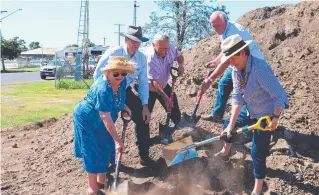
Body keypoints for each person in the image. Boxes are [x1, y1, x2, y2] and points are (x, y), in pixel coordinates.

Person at [215, 34, 288, 195]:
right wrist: (231, 128)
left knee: (257, 151)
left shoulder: (259, 69)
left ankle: (258, 189)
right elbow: (237, 97)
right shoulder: (235, 69)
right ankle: (225, 153)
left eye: (232, 58)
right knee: (228, 125)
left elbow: (280, 96)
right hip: (249, 109)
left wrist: (275, 119)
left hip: (266, 114)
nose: (230, 63)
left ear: (242, 53)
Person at [93, 26, 155, 167]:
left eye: (139, 42)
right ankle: (107, 162)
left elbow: (144, 81)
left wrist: (145, 105)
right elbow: (97, 73)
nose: (136, 44)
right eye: (133, 41)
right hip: (107, 89)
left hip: (125, 90)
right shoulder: (115, 52)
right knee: (108, 122)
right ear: (126, 40)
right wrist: (101, 94)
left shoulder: (141, 58)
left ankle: (144, 156)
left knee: (143, 119)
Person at [73, 56, 134, 195]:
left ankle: (102, 181)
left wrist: (124, 106)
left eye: (123, 73)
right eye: (116, 73)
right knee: (93, 150)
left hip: (104, 117)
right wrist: (118, 141)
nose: (120, 76)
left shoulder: (121, 83)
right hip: (88, 119)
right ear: (107, 73)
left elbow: (117, 98)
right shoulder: (102, 89)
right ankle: (93, 189)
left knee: (106, 146)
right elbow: (105, 116)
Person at [201, 11, 265, 123]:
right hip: (238, 62)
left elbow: (227, 61)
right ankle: (217, 115)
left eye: (218, 25)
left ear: (225, 21)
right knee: (224, 84)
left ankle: (249, 120)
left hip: (252, 64)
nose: (215, 29)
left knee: (244, 91)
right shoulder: (224, 30)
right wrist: (216, 61)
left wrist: (210, 79)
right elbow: (226, 51)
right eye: (213, 26)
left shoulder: (233, 31)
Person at [144, 34, 185, 142]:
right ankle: (144, 142)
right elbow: (154, 82)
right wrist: (165, 98)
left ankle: (178, 132)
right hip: (148, 88)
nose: (164, 52)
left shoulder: (171, 48)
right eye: (160, 49)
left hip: (163, 84)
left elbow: (179, 56)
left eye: (166, 48)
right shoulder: (150, 57)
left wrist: (181, 65)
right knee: (145, 116)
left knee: (174, 106)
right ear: (153, 45)